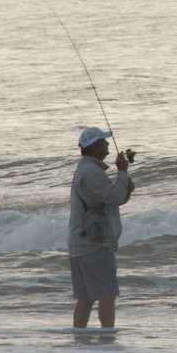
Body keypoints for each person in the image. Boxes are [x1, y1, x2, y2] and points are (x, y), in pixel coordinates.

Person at [68, 126, 135, 328]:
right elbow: (114, 197)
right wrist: (122, 172)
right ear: (95, 146)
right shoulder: (91, 172)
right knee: (107, 293)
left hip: (81, 241)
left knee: (86, 297)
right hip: (93, 243)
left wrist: (125, 187)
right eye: (104, 142)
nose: (107, 145)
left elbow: (111, 199)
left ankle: (79, 336)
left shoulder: (87, 169)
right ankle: (108, 336)